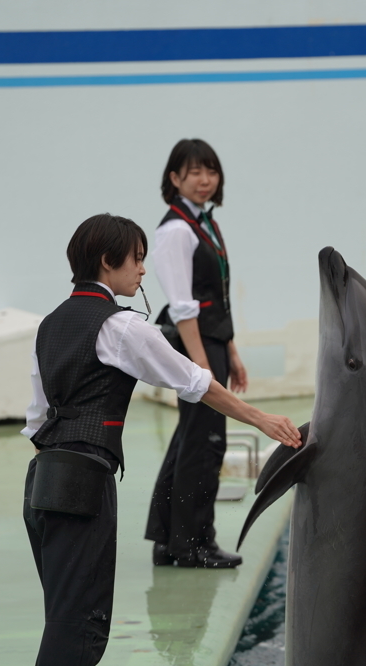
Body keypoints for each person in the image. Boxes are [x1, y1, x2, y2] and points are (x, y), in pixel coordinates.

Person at [21, 213, 300, 666]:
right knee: (79, 625)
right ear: (109, 262)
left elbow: (36, 419)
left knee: (63, 616)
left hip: (41, 484)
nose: (143, 271)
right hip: (83, 485)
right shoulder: (123, 327)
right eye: (137, 260)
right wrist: (262, 419)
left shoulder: (49, 324)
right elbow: (197, 383)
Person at [145, 139, 250, 569]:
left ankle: (171, 539)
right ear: (175, 179)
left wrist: (231, 351)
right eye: (194, 173)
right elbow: (183, 304)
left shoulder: (203, 223)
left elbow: (213, 297)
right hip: (195, 347)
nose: (205, 180)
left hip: (210, 342)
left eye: (211, 171)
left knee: (192, 440)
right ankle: (193, 545)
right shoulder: (175, 230)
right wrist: (201, 367)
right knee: (205, 444)